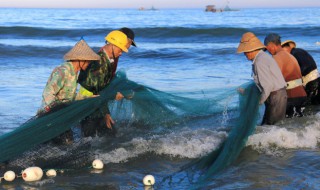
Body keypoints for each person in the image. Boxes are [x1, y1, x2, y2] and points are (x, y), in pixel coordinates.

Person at [39, 39, 100, 144]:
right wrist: (53, 112)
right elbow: (47, 93)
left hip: (62, 115)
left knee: (68, 142)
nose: (89, 63)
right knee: (64, 143)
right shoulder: (63, 71)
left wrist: (87, 98)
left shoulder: (75, 73)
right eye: (88, 60)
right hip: (52, 116)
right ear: (80, 59)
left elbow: (70, 97)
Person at [77, 28, 136, 137]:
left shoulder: (108, 59)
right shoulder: (100, 63)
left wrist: (106, 113)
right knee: (87, 140)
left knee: (108, 134)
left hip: (96, 103)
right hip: (88, 104)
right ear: (113, 45)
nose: (121, 53)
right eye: (120, 50)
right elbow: (96, 91)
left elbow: (100, 89)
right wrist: (113, 96)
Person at [237, 32, 287, 125]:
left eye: (245, 52)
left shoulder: (259, 61)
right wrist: (247, 92)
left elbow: (268, 86)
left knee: (271, 127)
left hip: (276, 96)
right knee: (270, 126)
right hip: (277, 95)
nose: (244, 54)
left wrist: (258, 102)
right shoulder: (262, 57)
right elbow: (263, 83)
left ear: (251, 50)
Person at [264, 33, 307, 117]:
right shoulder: (290, 56)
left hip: (292, 96)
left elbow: (272, 79)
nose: (268, 52)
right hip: (302, 95)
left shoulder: (277, 57)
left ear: (271, 45)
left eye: (267, 48)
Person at [281, 40, 320, 104]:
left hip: (311, 81)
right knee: (314, 103)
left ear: (287, 48)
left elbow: (304, 67)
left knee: (307, 104)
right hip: (316, 78)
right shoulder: (299, 51)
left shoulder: (294, 53)